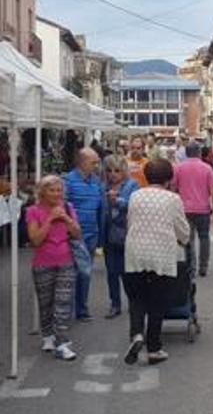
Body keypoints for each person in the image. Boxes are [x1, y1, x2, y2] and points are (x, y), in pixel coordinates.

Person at [123, 158, 190, 366]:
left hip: (135, 252)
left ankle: (136, 334)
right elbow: (182, 229)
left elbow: (130, 222)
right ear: (169, 179)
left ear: (146, 176)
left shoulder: (135, 196)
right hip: (161, 254)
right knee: (157, 302)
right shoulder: (173, 199)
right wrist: (184, 239)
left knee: (136, 298)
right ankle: (154, 347)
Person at [27, 176, 81, 360]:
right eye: (52, 190)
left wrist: (65, 217)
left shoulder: (68, 208)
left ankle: (62, 342)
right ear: (42, 192)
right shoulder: (33, 211)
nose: (57, 194)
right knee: (46, 303)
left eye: (59, 190)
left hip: (66, 261)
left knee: (63, 303)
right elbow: (35, 240)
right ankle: (48, 335)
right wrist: (50, 218)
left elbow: (77, 233)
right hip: (43, 262)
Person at [64, 147, 105, 322]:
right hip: (73, 235)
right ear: (82, 162)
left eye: (97, 162)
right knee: (70, 273)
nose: (97, 165)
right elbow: (63, 206)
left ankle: (82, 309)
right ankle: (67, 310)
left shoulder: (96, 182)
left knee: (85, 273)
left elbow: (100, 209)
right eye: (93, 162)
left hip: (91, 233)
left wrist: (100, 235)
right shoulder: (68, 181)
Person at [172, 142, 213, 277]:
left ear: (186, 153)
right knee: (204, 237)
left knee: (188, 239)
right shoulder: (207, 169)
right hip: (203, 209)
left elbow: (174, 188)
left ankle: (191, 267)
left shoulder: (178, 168)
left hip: (185, 209)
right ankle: (203, 267)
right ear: (199, 153)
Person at [102, 155, 140, 319]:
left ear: (124, 171)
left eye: (117, 170)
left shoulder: (132, 185)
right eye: (109, 170)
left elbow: (135, 205)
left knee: (128, 272)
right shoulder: (103, 186)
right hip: (108, 233)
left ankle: (134, 303)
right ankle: (115, 304)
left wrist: (117, 201)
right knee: (111, 272)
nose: (113, 174)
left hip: (127, 233)